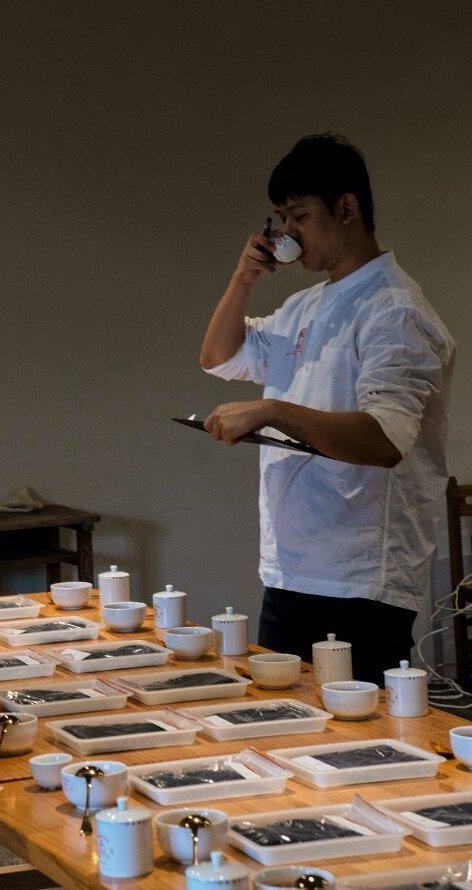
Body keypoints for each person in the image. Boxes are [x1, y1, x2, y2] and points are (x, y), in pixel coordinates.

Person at [200, 134, 455, 685]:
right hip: (291, 564)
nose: (287, 234)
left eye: (299, 216)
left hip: (361, 574)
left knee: (363, 740)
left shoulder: (396, 310)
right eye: (280, 219)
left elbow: (384, 441)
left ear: (346, 208)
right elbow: (218, 357)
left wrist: (273, 409)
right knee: (283, 721)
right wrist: (243, 278)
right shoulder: (303, 305)